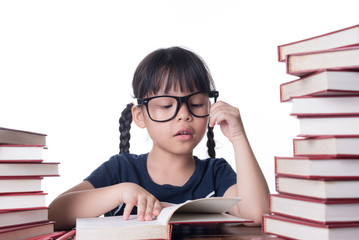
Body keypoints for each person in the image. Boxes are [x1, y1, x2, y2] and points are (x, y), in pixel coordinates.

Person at [49, 46, 269, 230]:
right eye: (166, 105)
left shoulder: (215, 174)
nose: (184, 115)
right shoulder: (121, 171)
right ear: (139, 116)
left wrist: (238, 137)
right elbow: (54, 214)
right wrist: (120, 192)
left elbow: (258, 214)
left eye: (196, 104)